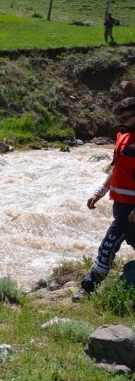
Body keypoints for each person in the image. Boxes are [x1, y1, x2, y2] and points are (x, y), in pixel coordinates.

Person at [73, 97, 135, 301]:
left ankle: (89, 286)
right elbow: (118, 169)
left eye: (125, 118)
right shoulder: (124, 138)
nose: (121, 122)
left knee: (108, 245)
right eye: (119, 118)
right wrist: (100, 192)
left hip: (131, 209)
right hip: (120, 204)